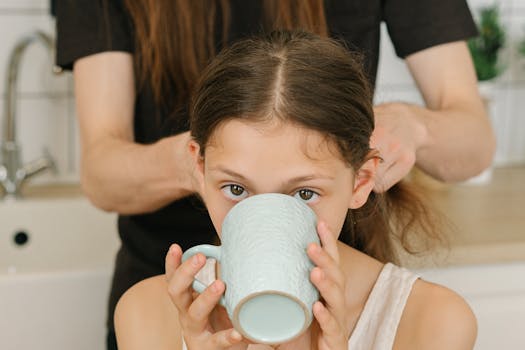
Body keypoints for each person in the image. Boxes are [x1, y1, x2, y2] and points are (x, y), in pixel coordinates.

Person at [54, 1, 492, 348]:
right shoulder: (148, 314)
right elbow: (101, 168)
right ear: (200, 171)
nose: (265, 213)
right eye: (236, 188)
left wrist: (413, 126)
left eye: (302, 193)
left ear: (360, 182)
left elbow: (473, 137)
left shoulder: (432, 322)